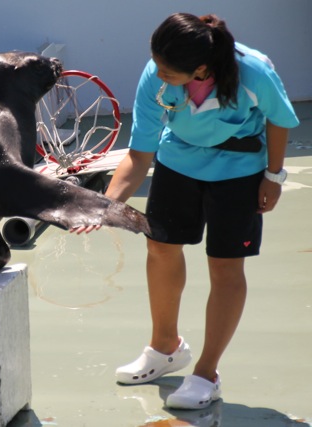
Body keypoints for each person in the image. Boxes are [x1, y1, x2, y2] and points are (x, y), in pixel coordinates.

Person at [75, 13, 299, 409]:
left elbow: (280, 120)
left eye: (167, 71)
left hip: (239, 171)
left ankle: (206, 373)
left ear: (201, 68)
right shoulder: (155, 75)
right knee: (160, 247)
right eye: (156, 65)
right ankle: (166, 347)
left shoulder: (254, 72)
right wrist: (104, 206)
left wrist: (273, 176)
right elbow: (140, 153)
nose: (157, 75)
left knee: (225, 265)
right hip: (178, 162)